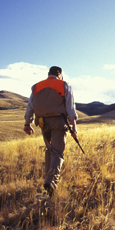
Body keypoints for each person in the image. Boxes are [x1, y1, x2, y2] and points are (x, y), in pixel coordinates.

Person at [24, 66, 78, 197]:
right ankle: (52, 181)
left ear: (48, 74)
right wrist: (74, 127)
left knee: (49, 150)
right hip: (59, 122)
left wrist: (27, 123)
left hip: (43, 123)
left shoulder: (36, 86)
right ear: (60, 75)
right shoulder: (64, 84)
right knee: (57, 152)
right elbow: (70, 107)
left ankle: (47, 178)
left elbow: (30, 106)